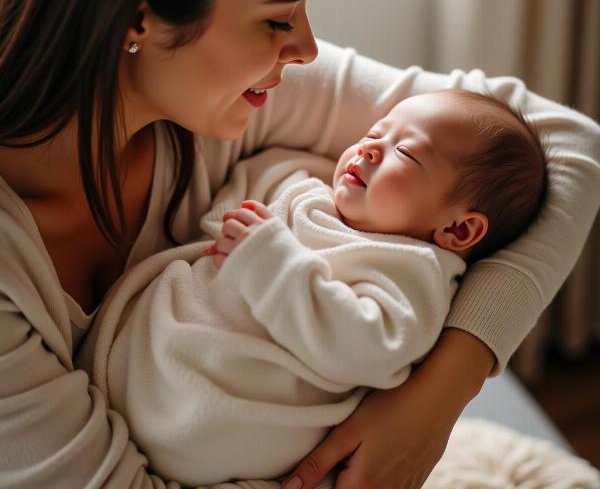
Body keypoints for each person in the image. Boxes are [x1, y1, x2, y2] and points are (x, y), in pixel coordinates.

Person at [0, 0, 598, 488]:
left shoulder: (220, 100)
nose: (307, 49)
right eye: (277, 19)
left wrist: (437, 396)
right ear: (137, 14)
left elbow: (566, 142)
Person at [77, 89, 549, 486]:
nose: (368, 148)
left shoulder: (411, 270)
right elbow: (224, 219)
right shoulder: (304, 182)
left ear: (459, 231)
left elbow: (370, 347)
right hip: (136, 365)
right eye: (374, 133)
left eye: (405, 153)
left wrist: (269, 262)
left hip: (220, 425)